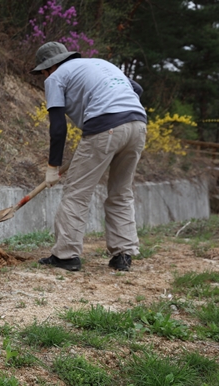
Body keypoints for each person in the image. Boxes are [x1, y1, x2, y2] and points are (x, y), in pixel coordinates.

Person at [31, 41, 147, 272]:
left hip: (105, 125)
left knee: (77, 192)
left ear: (48, 67)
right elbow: (138, 89)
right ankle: (122, 255)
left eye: (42, 72)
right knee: (121, 192)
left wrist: (53, 166)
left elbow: (57, 127)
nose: (43, 76)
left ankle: (66, 256)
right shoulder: (100, 64)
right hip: (137, 124)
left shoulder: (55, 77)